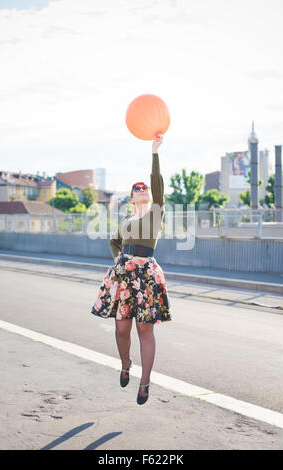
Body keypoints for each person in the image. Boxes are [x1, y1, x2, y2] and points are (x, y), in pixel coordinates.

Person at [90, 134, 172, 405]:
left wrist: (155, 153)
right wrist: (117, 259)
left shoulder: (155, 214)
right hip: (124, 277)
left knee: (145, 331)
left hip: (146, 277)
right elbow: (114, 241)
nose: (141, 189)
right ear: (131, 197)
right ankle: (126, 364)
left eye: (144, 187)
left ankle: (145, 383)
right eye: (136, 188)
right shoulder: (126, 219)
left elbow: (158, 185)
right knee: (121, 330)